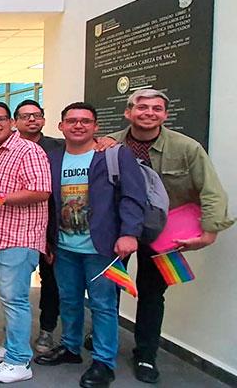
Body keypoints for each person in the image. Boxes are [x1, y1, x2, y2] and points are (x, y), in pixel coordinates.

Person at [96, 89, 232, 383]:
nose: (149, 113)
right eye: (142, 107)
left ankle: (146, 355)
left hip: (164, 233)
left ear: (165, 115)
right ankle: (103, 341)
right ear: (128, 113)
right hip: (118, 229)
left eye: (156, 108)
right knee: (109, 287)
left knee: (152, 293)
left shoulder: (187, 148)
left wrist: (210, 231)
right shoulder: (109, 144)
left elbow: (211, 190)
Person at [34, 102, 146, 388]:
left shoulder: (114, 154)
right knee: (68, 300)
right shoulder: (52, 158)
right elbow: (46, 202)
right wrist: (47, 240)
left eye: (85, 121)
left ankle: (103, 362)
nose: (78, 125)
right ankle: (71, 347)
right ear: (61, 126)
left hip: (103, 248)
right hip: (64, 247)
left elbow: (133, 195)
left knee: (103, 304)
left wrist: (129, 233)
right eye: (72, 120)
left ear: (96, 126)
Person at [0, 100, 51, 383]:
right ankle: (10, 346)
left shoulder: (28, 150)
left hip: (19, 237)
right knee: (7, 297)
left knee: (16, 300)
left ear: (11, 122)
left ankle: (18, 361)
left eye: (0, 119)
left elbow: (41, 191)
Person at [14, 99, 65, 355]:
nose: (32, 120)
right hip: (19, 227)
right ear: (16, 122)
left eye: (36, 115)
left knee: (52, 279)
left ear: (44, 119)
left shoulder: (60, 148)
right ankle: (15, 332)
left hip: (55, 224)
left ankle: (48, 328)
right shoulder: (7, 148)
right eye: (25, 116)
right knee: (15, 285)